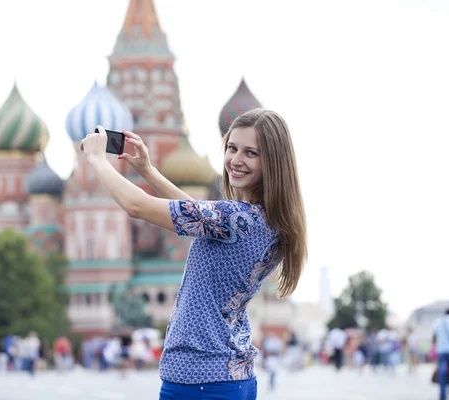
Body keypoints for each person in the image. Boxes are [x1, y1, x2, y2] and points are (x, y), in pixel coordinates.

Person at [80, 108, 307, 400]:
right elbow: (198, 215)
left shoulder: (235, 217)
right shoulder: (265, 219)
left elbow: (136, 206)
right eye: (232, 148)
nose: (236, 161)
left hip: (200, 378)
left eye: (251, 153)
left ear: (272, 162)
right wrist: (149, 171)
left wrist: (97, 159)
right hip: (231, 375)